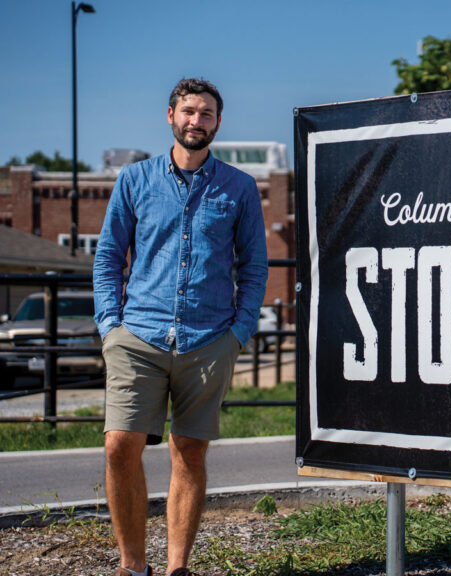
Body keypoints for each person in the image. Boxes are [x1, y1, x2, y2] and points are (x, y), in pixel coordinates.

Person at [93, 78, 268, 576]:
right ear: (169, 115)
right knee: (118, 444)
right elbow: (108, 257)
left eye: (207, 113)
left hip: (209, 340)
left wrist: (240, 331)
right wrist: (110, 325)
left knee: (189, 452)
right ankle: (133, 567)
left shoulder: (239, 187)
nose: (197, 121)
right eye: (188, 111)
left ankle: (176, 569)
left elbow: (254, 266)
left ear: (217, 122)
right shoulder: (134, 180)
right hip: (138, 334)